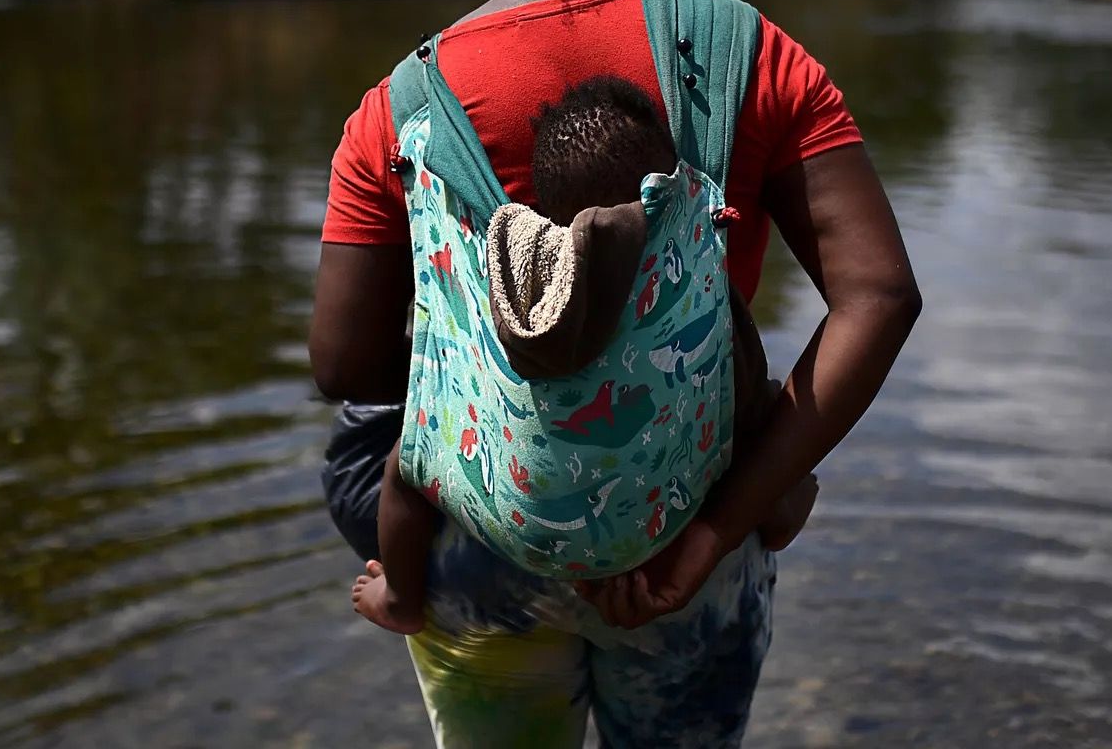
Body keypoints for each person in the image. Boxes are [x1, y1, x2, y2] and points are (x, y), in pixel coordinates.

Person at [312, 0, 919, 747]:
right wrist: (730, 521)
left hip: (481, 539)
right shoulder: (752, 55)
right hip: (689, 529)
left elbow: (344, 363)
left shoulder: (399, 109)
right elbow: (880, 298)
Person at [351, 75, 818, 636]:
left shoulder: (517, 279)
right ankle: (780, 512)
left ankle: (400, 598)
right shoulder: (684, 285)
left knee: (408, 461)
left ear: (547, 209)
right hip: (667, 527)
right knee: (752, 402)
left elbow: (340, 366)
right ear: (665, 192)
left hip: (515, 535)